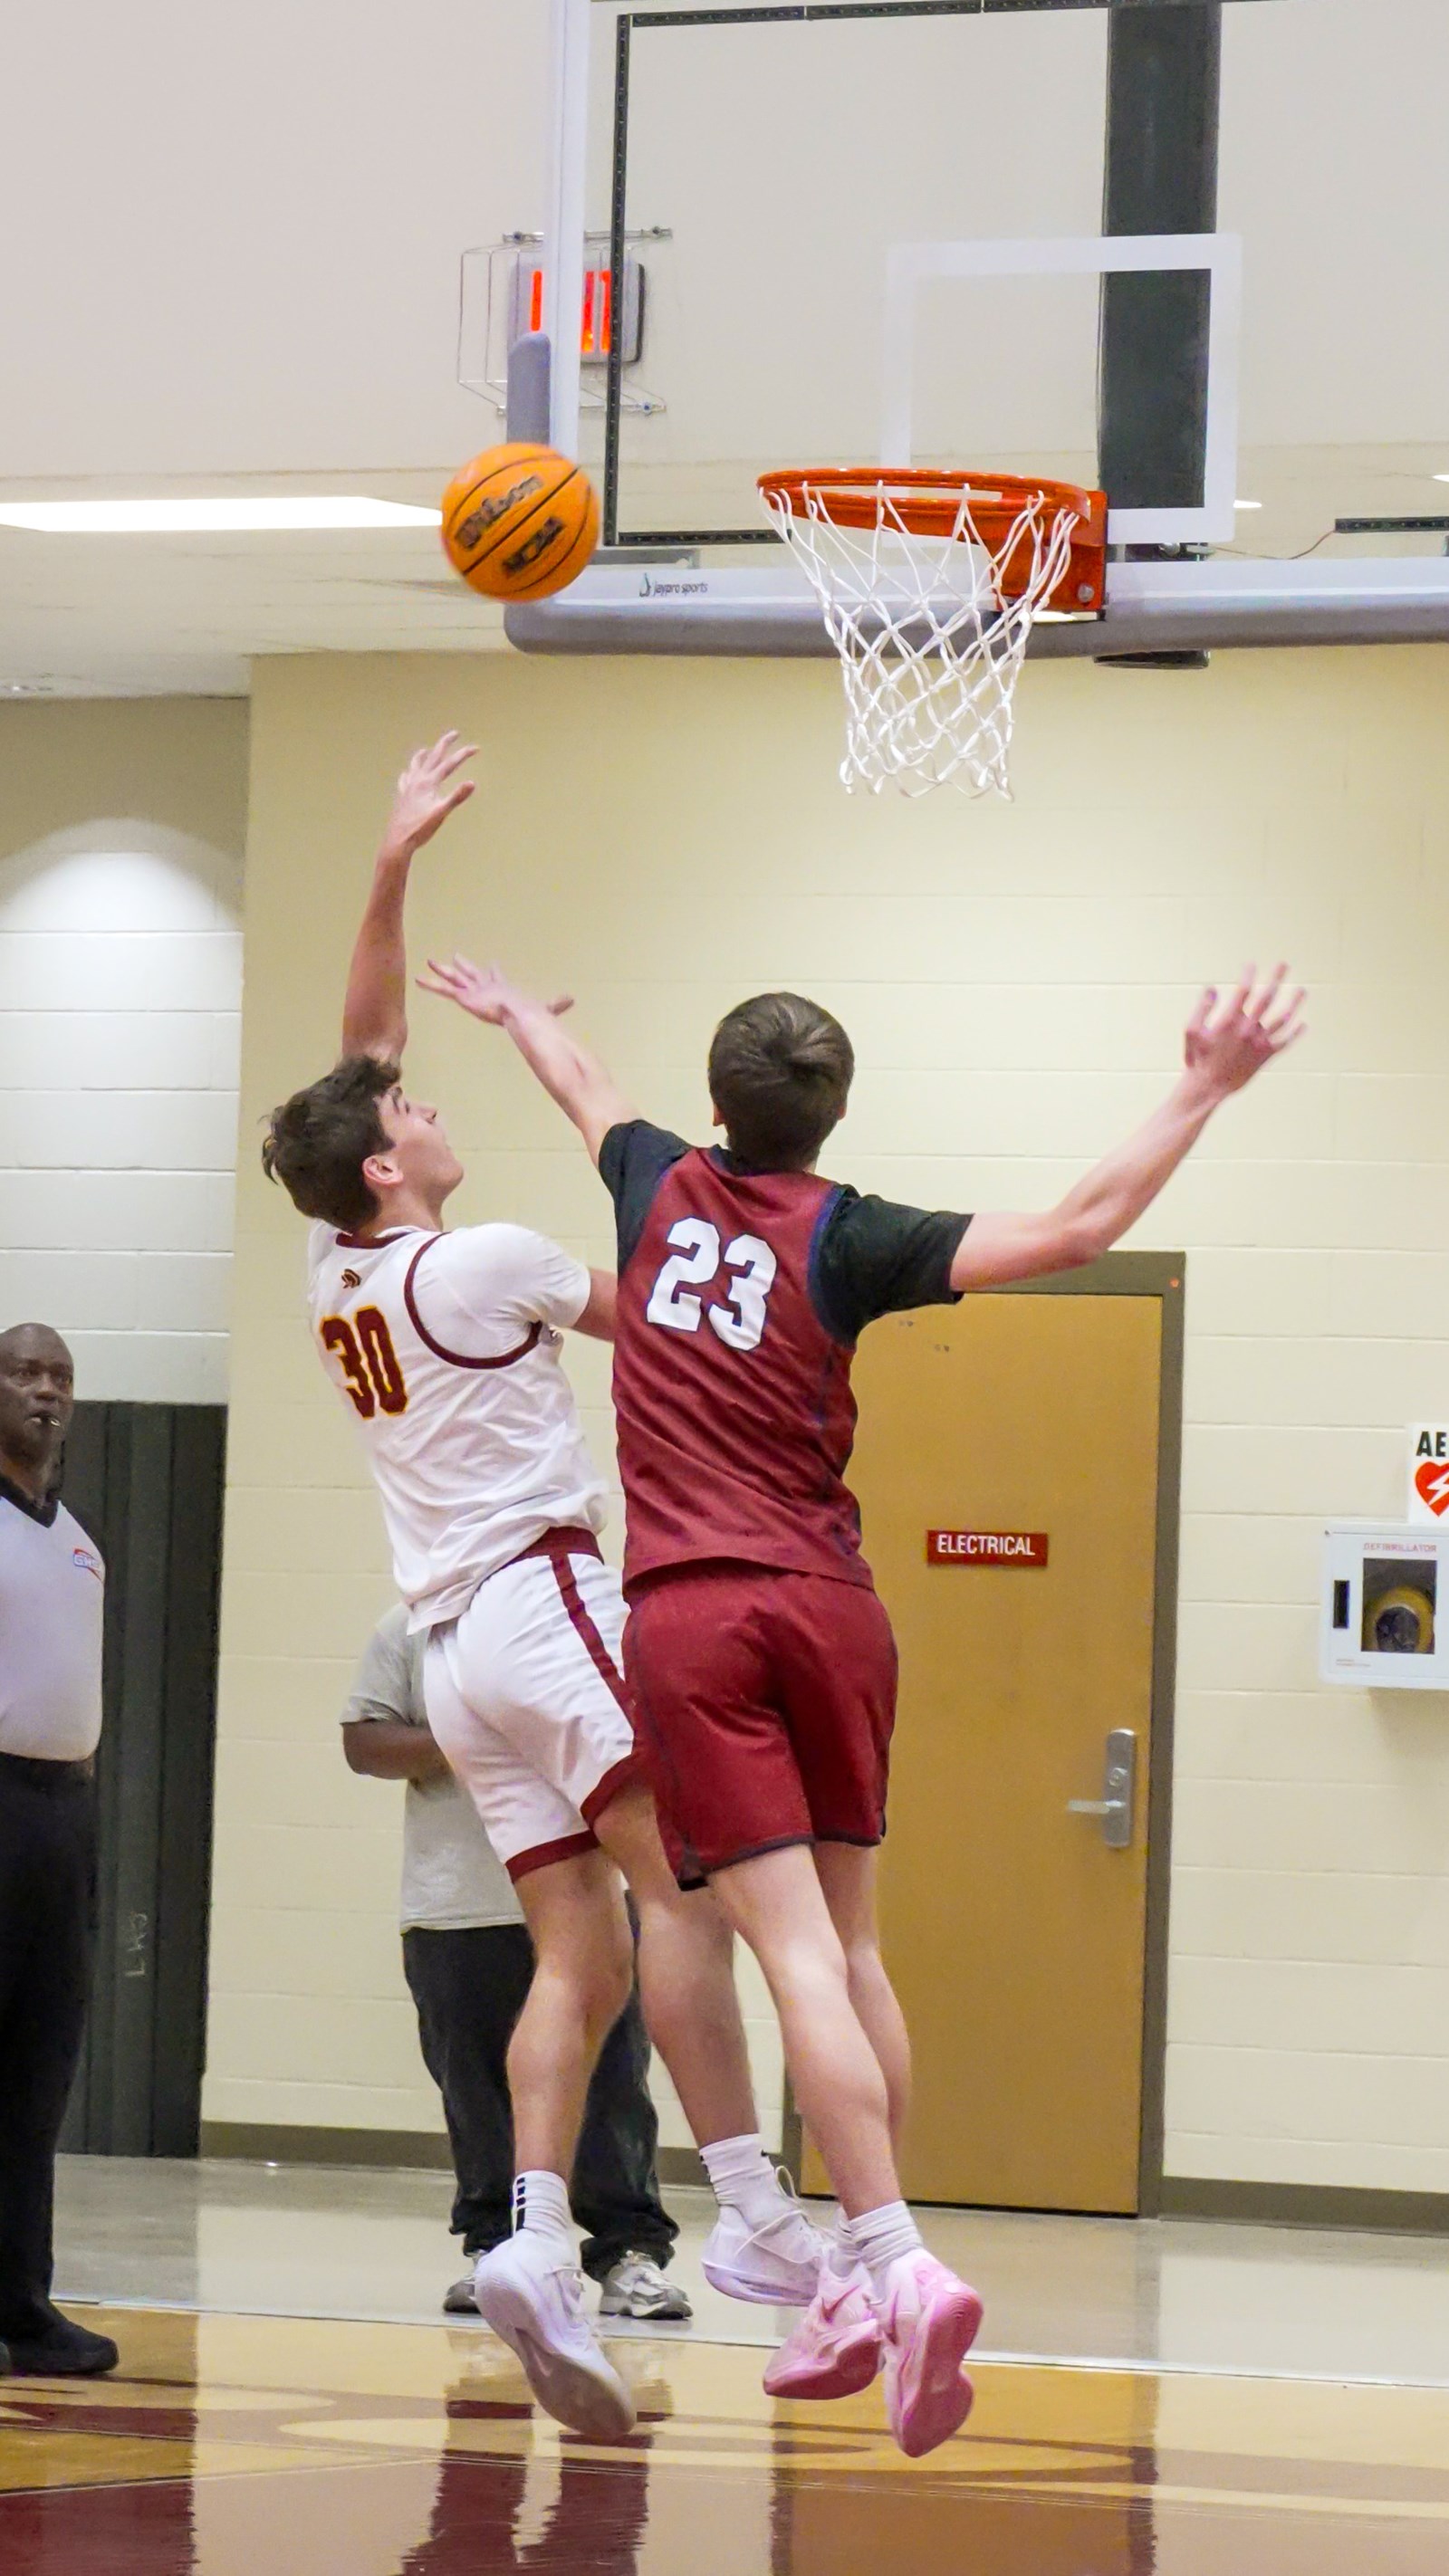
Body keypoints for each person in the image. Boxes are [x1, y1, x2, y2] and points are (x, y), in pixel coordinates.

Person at [419, 951, 1305, 2461]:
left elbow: (586, 1088)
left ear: (719, 1104)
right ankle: (854, 2261)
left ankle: (882, 2258)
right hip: (837, 1606)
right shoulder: (858, 1234)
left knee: (768, 1952)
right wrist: (1204, 1085)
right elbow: (1084, 1224)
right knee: (857, 1947)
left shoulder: (656, 1185)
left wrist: (513, 1017)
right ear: (833, 1118)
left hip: (697, 1611)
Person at [261, 738, 821, 2442]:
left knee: (566, 1943)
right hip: (542, 1600)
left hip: (450, 1649)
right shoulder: (486, 1257)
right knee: (692, 1898)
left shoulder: (335, 1264)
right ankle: (760, 2214)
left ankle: (533, 2233)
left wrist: (390, 856)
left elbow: (359, 1048)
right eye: (412, 1113)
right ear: (383, 1167)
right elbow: (663, 1292)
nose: (426, 1102)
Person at [342, 1601, 689, 2322]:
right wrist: (469, 1739)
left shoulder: (583, 1619)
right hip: (456, 1904)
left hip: (588, 1898)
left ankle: (628, 2253)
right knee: (473, 2082)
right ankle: (499, 2248)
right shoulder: (408, 1630)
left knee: (611, 2081)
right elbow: (363, 1742)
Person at [0, 1322, 118, 2380]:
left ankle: (22, 2307)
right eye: (23, 1373)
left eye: (60, 1377)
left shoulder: (78, 1538)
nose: (45, 1392)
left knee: (38, 2073)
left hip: (61, 1817)